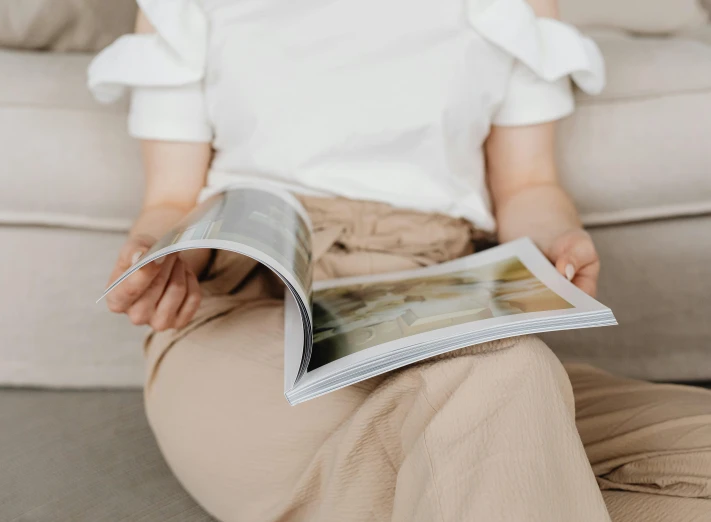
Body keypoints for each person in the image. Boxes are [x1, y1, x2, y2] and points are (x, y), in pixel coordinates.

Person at [87, 0, 711, 520]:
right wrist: (161, 259)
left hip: (435, 312)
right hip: (254, 308)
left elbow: (527, 187)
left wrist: (556, 241)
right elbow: (169, 199)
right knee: (508, 382)